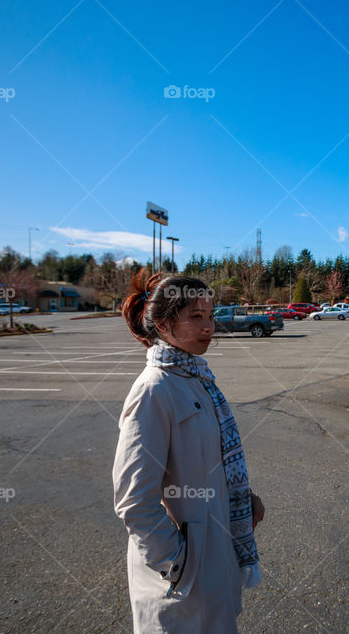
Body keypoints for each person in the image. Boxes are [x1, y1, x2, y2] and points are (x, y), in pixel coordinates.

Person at [113, 270, 264, 633]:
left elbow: (207, 462)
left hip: (213, 556)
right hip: (180, 578)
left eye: (210, 316)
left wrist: (240, 500)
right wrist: (179, 563)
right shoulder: (154, 390)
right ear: (163, 325)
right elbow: (135, 501)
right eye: (195, 317)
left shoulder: (196, 379)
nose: (209, 326)